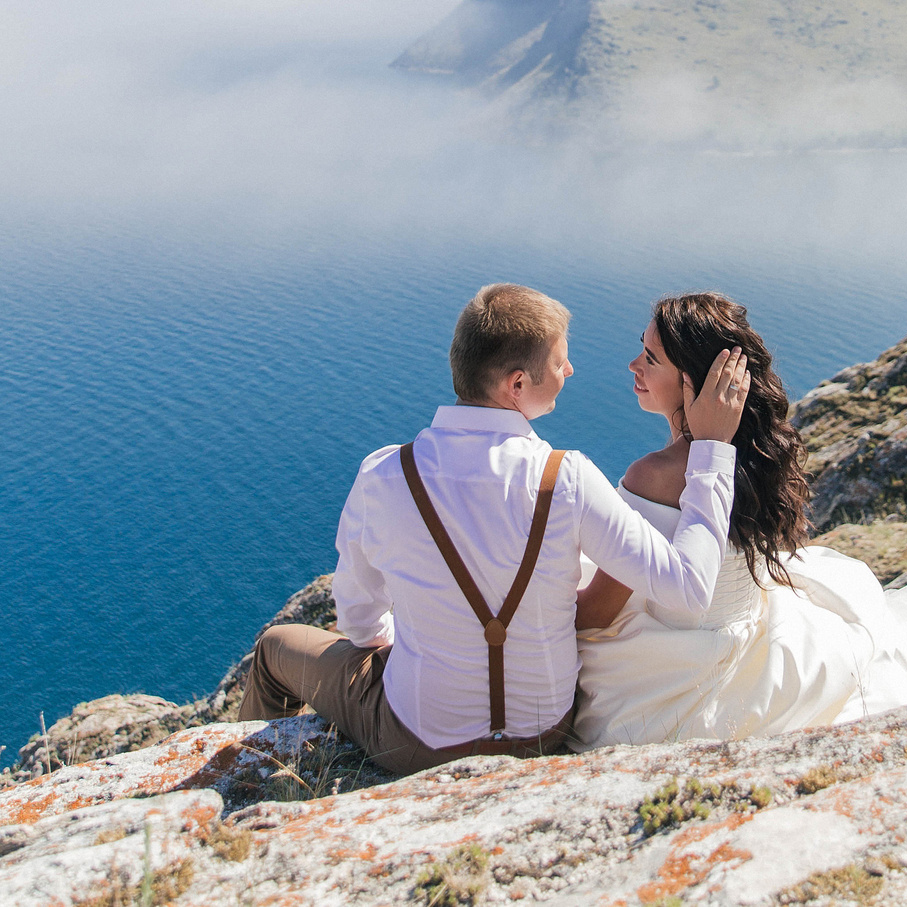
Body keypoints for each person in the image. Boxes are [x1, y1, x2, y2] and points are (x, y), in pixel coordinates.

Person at [237, 281, 751, 771]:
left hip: (412, 742)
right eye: (559, 361)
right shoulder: (567, 477)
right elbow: (688, 587)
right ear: (518, 385)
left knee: (274, 648)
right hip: (542, 733)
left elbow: (359, 626)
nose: (570, 370)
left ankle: (249, 780)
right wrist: (711, 452)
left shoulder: (385, 475)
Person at [571, 292, 907, 748]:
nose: (633, 364)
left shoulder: (652, 476)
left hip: (674, 674)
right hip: (755, 639)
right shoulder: (753, 455)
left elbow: (597, 611)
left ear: (696, 383)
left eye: (651, 358)